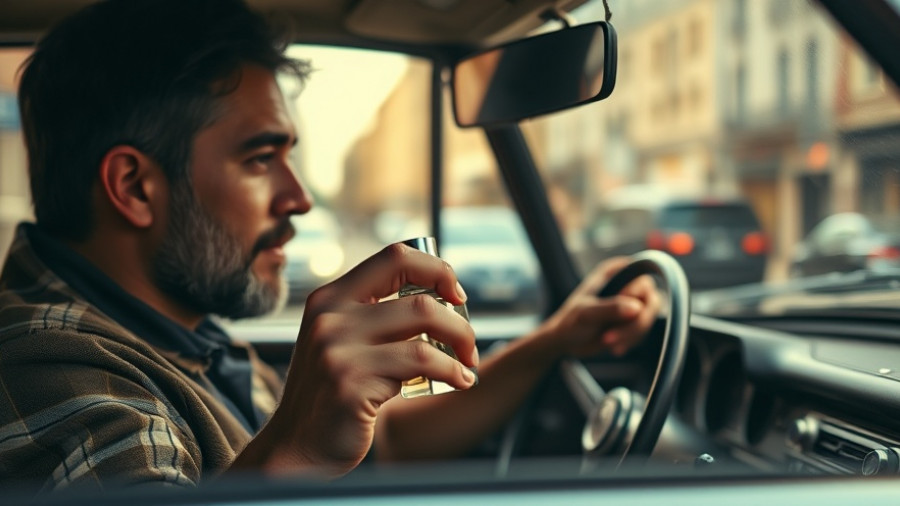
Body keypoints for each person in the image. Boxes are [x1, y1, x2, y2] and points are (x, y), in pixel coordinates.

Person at [0, 0, 659, 493]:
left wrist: (556, 339)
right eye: (261, 159)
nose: (299, 198)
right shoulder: (49, 370)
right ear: (134, 187)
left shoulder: (178, 332)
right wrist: (295, 451)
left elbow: (384, 441)